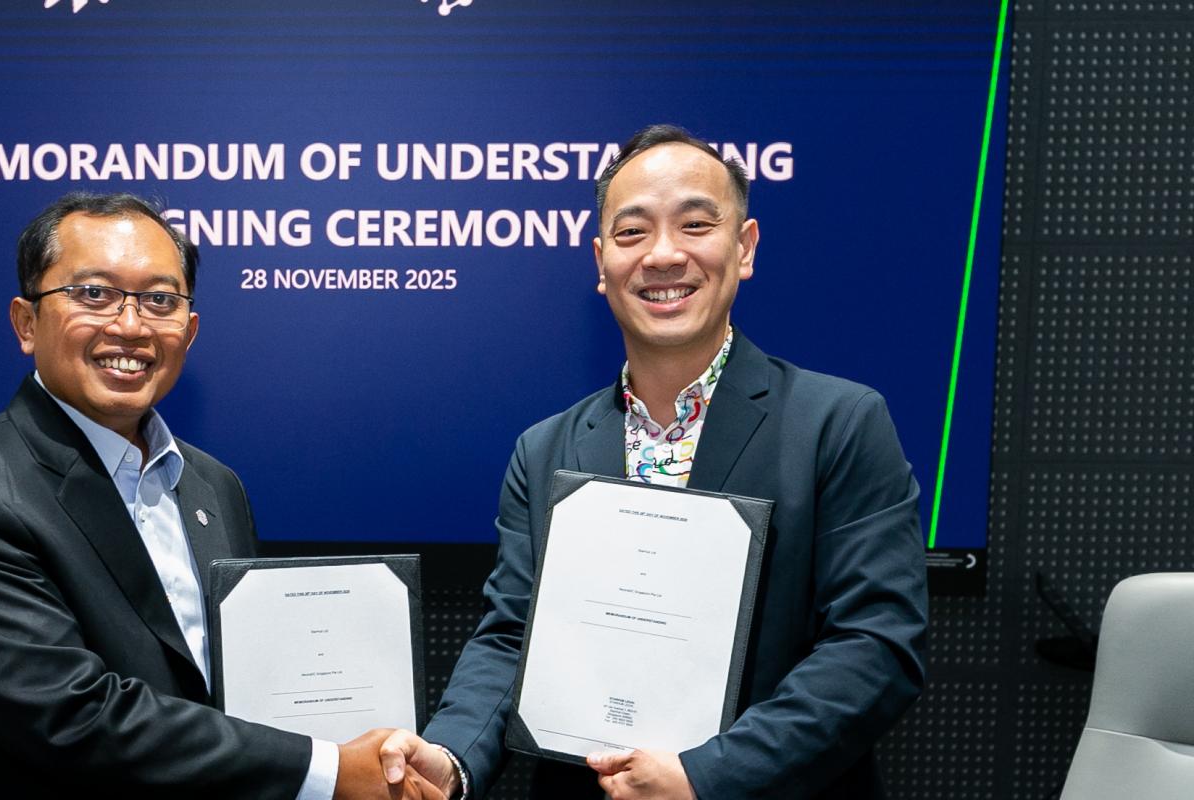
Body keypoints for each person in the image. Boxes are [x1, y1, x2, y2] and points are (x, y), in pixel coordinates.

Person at [379, 125, 929, 799]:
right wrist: (452, 757)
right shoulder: (544, 449)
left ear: (745, 246)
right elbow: (512, 642)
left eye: (696, 224)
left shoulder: (837, 425)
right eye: (632, 232)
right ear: (601, 261)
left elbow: (875, 647)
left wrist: (706, 777)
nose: (664, 255)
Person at [0, 192, 443, 800]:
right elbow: (71, 719)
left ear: (190, 329)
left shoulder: (213, 483)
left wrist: (363, 749)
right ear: (27, 323)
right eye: (94, 294)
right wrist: (330, 771)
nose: (130, 326)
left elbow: (245, 689)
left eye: (160, 300)